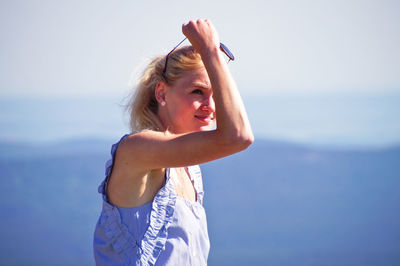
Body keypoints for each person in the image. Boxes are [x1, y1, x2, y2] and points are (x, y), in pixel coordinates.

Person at [93, 19, 254, 265]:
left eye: (215, 95)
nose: (211, 107)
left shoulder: (190, 169)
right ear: (161, 92)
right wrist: (210, 50)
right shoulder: (136, 150)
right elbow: (238, 136)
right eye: (197, 92)